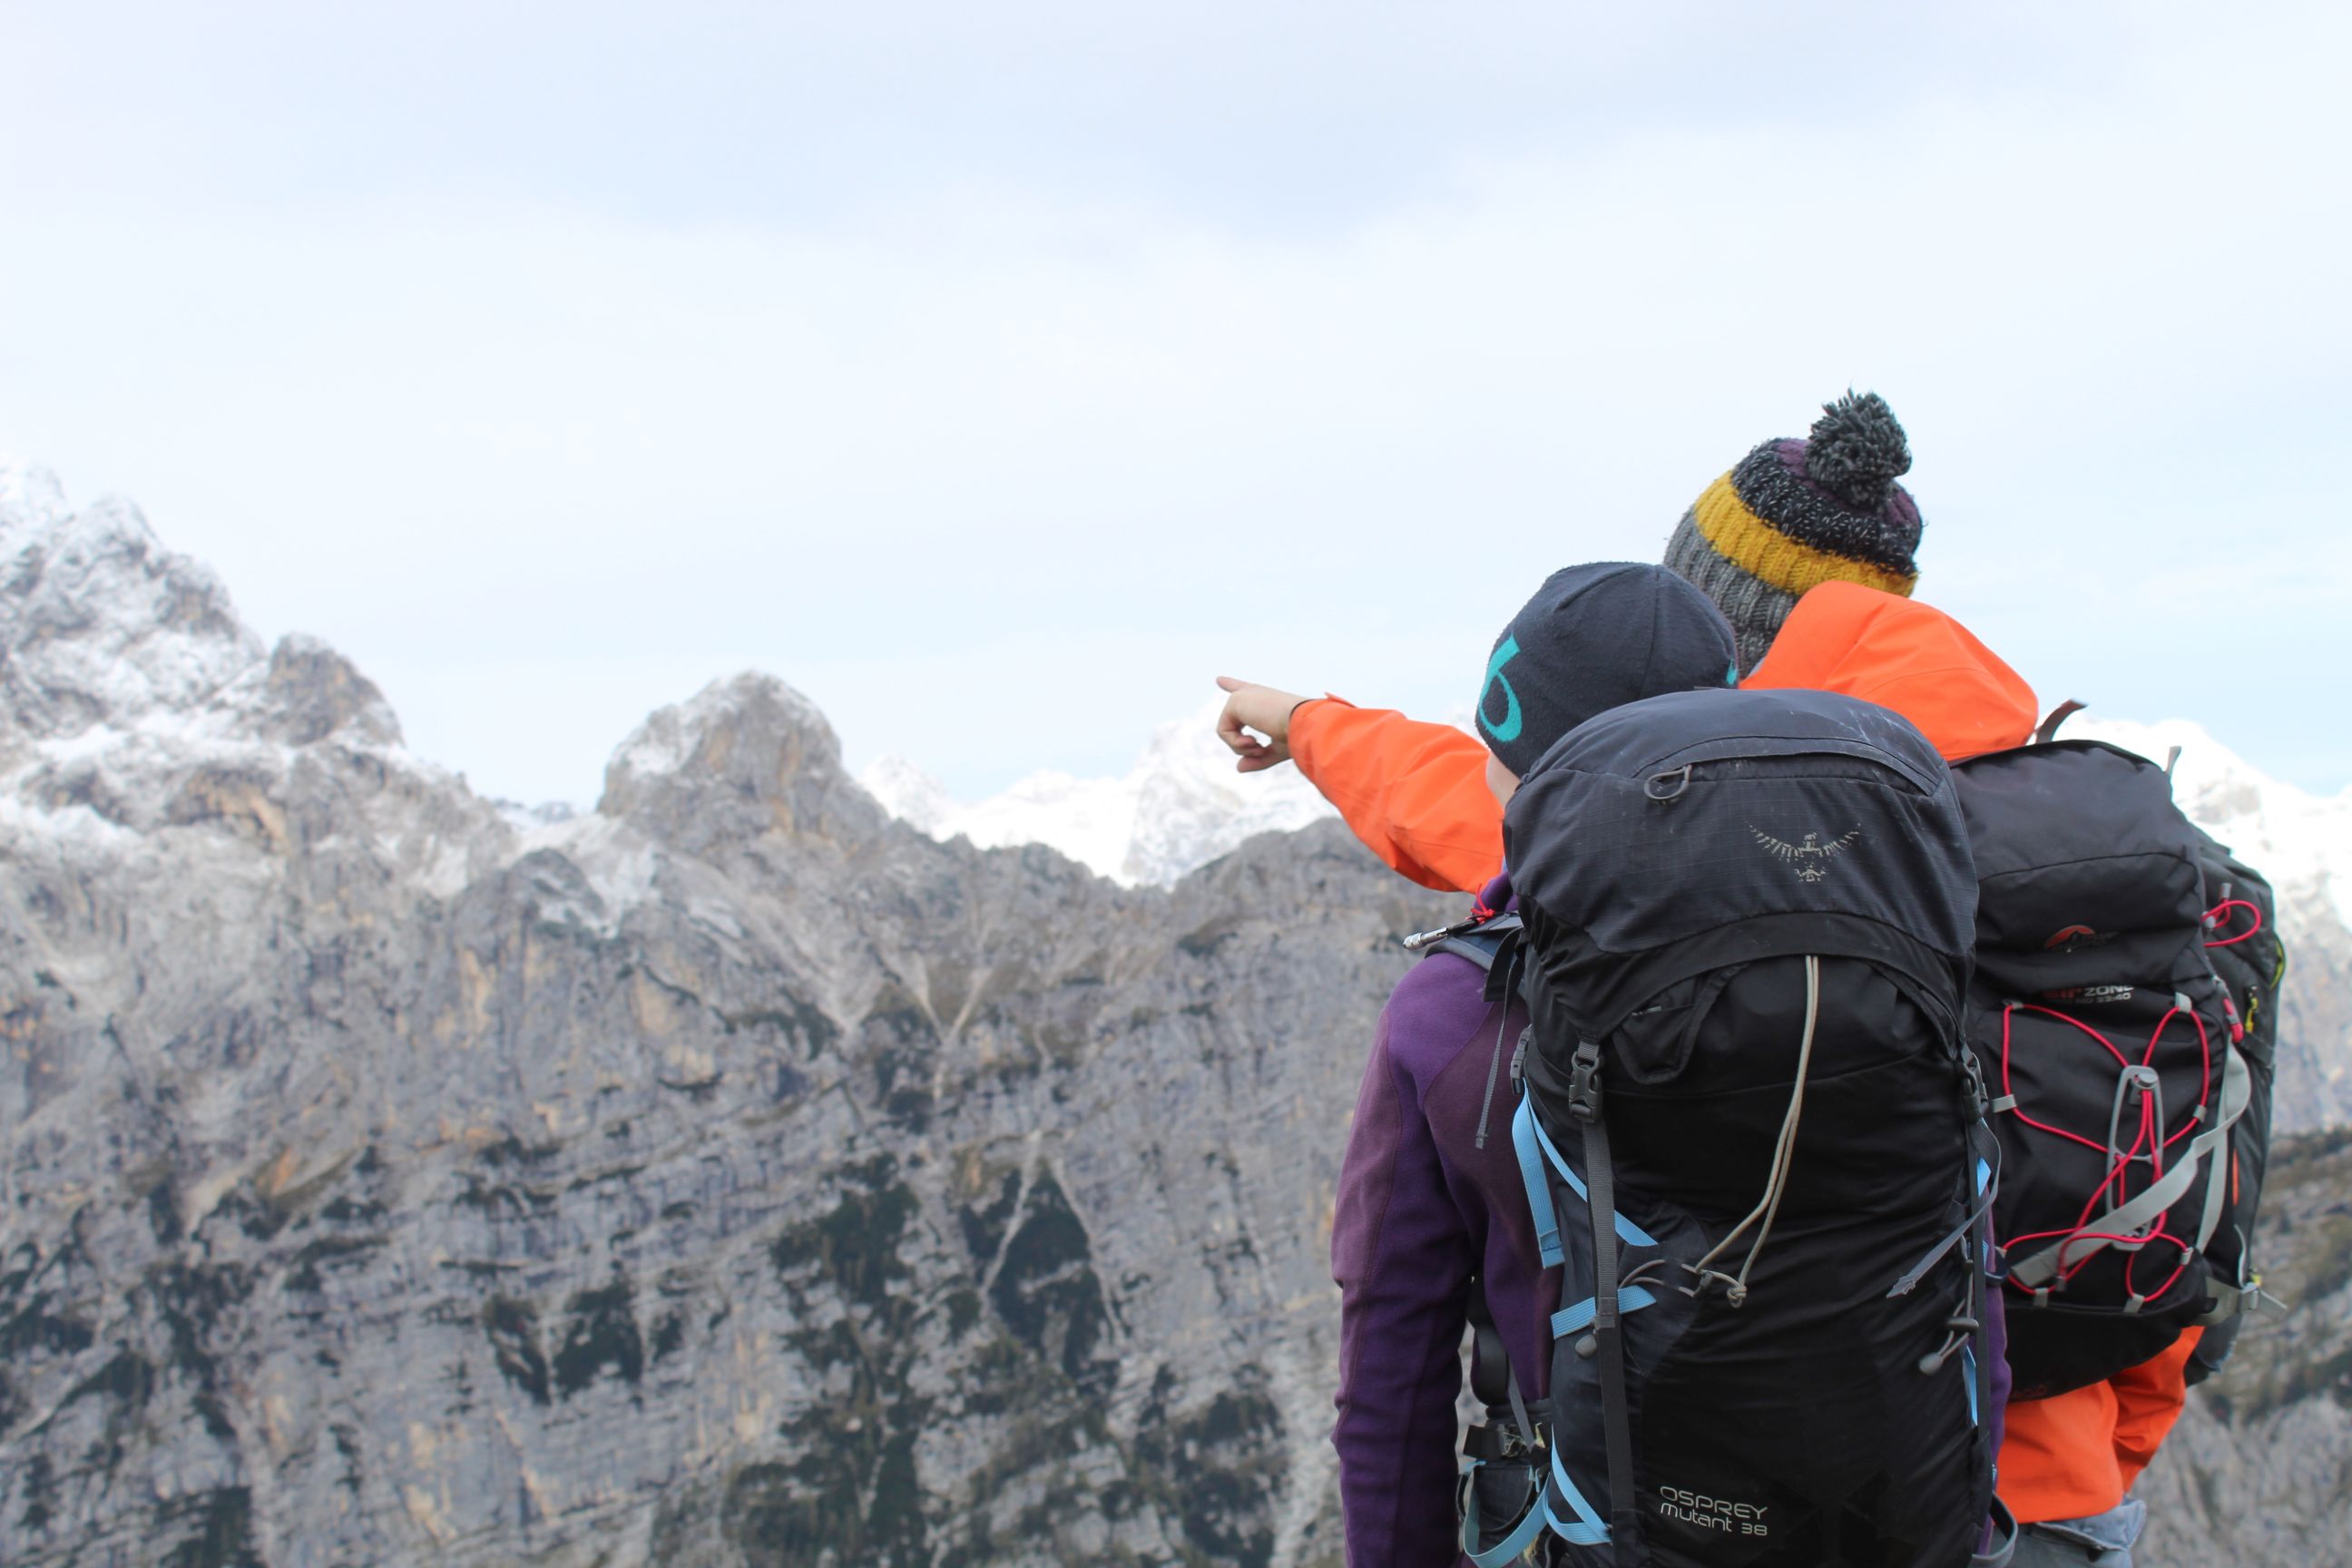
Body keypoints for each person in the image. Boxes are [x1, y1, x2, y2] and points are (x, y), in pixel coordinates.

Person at [1252, 394, 2187, 1564]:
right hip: (1986, 1496)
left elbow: (1393, 1363)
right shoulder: (2042, 854)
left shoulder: (1486, 992)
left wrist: (1312, 725)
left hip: (1638, 1511)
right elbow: (2157, 1193)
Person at [1329, 561, 1746, 1567]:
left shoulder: (1458, 1008)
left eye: (1495, 749)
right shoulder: (1862, 961)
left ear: (1532, 772)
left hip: (1589, 1530)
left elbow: (1393, 1365)